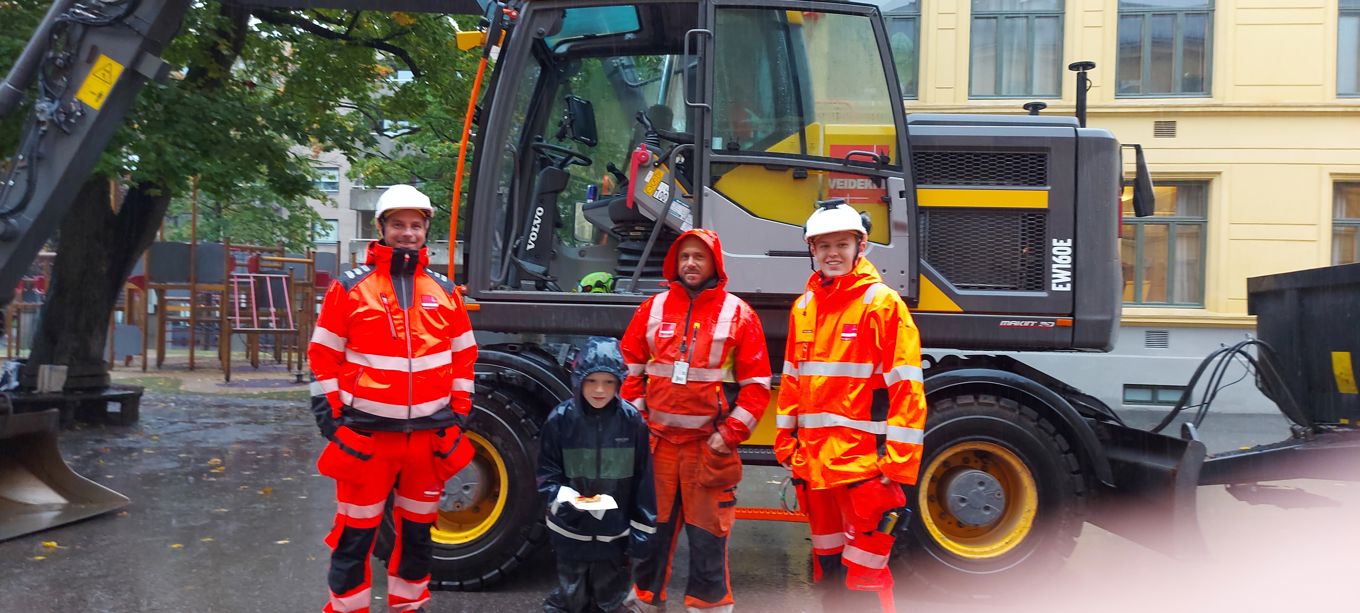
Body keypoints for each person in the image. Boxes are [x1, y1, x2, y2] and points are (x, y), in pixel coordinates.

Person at [308, 184, 477, 613]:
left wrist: (457, 418)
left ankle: (408, 605)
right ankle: (348, 608)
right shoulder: (349, 288)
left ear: (425, 231)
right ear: (381, 228)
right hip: (366, 439)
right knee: (355, 534)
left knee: (419, 535)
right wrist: (332, 420)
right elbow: (322, 356)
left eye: (415, 225)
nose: (407, 233)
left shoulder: (445, 291)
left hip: (428, 439)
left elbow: (463, 360)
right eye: (398, 224)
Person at [774, 200, 928, 612]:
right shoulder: (803, 307)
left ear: (861, 246)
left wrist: (894, 468)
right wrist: (786, 446)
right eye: (823, 246)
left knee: (865, 579)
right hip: (817, 469)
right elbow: (792, 379)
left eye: (841, 244)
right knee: (827, 571)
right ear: (812, 250)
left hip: (865, 472)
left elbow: (908, 390)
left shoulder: (882, 305)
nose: (832, 254)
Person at [621, 228, 772, 613]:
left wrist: (729, 435)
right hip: (658, 445)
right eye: (685, 256)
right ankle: (644, 600)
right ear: (674, 262)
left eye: (699, 257)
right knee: (649, 532)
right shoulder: (652, 309)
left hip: (708, 448)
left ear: (714, 264)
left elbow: (757, 387)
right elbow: (629, 370)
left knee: (708, 537)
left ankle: (709, 607)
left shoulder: (738, 314)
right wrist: (638, 420)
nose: (691, 263)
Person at [538, 336, 657, 613]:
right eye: (591, 381)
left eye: (608, 382)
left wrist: (642, 535)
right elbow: (546, 474)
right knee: (572, 599)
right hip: (571, 533)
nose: (600, 390)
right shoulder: (560, 419)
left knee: (609, 599)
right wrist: (566, 500)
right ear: (579, 380)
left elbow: (643, 482)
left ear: (618, 383)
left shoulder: (632, 423)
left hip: (614, 537)